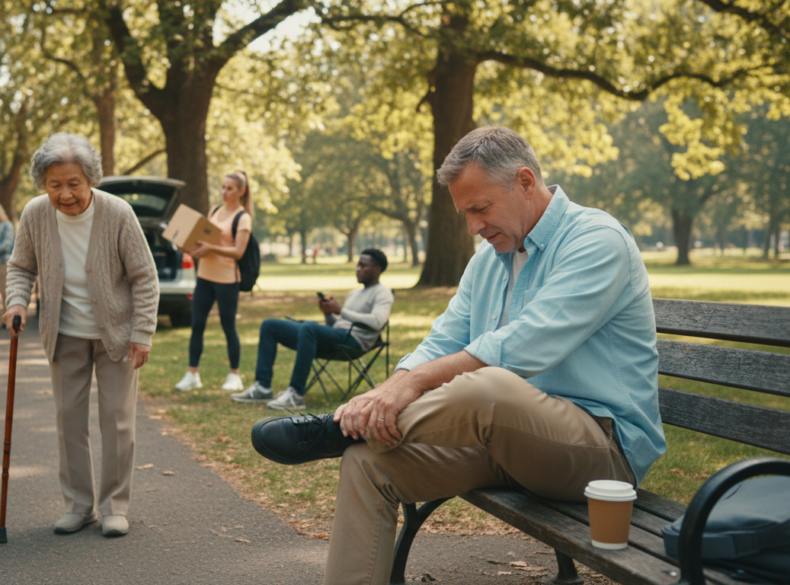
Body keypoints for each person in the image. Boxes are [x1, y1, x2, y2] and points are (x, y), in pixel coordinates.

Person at [251, 127, 666, 585]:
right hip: (506, 442)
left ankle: (339, 428)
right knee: (367, 464)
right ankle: (352, 430)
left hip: (601, 454)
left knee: (490, 383)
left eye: (480, 208)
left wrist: (409, 387)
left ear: (525, 182)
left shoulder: (595, 239)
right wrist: (392, 385)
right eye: (464, 213)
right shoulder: (489, 258)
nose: (472, 227)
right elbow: (442, 339)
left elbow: (528, 344)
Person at [2, 132, 159, 538]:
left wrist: (142, 332)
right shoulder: (35, 214)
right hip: (65, 332)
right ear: (44, 185)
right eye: (55, 185)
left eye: (74, 183)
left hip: (117, 336)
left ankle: (114, 507)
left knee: (117, 421)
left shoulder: (117, 213)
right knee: (68, 420)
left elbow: (144, 277)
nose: (65, 193)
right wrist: (16, 302)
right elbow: (20, 267)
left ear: (91, 179)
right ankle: (78, 505)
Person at [231, 249, 393, 410]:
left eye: (364, 265)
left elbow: (377, 322)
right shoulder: (354, 293)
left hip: (354, 342)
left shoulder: (383, 292)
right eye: (358, 264)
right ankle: (262, 388)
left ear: (377, 269)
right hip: (337, 336)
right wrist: (328, 313)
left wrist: (340, 311)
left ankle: (296, 394)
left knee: (309, 328)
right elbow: (336, 325)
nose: (358, 268)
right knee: (270, 325)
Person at [174, 170, 253, 392]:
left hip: (227, 279)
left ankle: (234, 375)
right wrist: (187, 244)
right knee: (197, 324)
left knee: (228, 326)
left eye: (229, 188)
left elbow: (238, 251)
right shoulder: (215, 211)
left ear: (241, 191)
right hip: (205, 277)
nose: (224, 192)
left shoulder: (243, 217)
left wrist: (211, 248)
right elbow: (204, 239)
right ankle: (192, 374)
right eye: (223, 187)